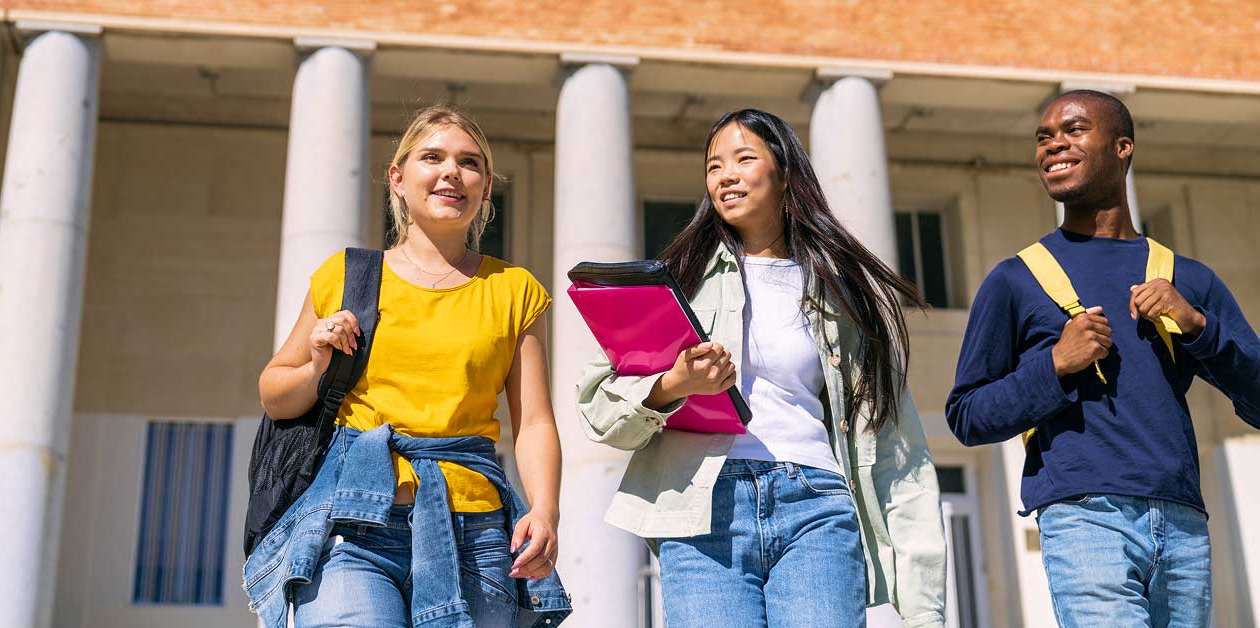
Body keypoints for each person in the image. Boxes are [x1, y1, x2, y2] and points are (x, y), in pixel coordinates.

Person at [576, 109, 947, 628]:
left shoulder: (842, 292)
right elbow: (598, 407)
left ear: (785, 172)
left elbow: (897, 451)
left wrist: (925, 608)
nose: (725, 175)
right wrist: (674, 384)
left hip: (816, 501)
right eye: (714, 166)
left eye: (744, 159)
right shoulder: (676, 279)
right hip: (703, 507)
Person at [247, 105, 571, 628]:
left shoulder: (515, 290)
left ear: (485, 189)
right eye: (432, 157)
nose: (451, 172)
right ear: (398, 179)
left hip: (477, 532)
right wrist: (316, 363)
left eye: (469, 163)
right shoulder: (346, 275)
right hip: (353, 524)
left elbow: (533, 421)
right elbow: (274, 394)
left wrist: (545, 510)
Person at [946, 90, 1260, 627]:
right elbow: (967, 417)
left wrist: (1198, 327)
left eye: (1072, 130)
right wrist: (1055, 365)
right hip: (1084, 516)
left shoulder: (1190, 278)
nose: (1053, 145)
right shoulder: (1016, 279)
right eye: (1044, 137)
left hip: (1182, 515)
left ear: (1122, 147)